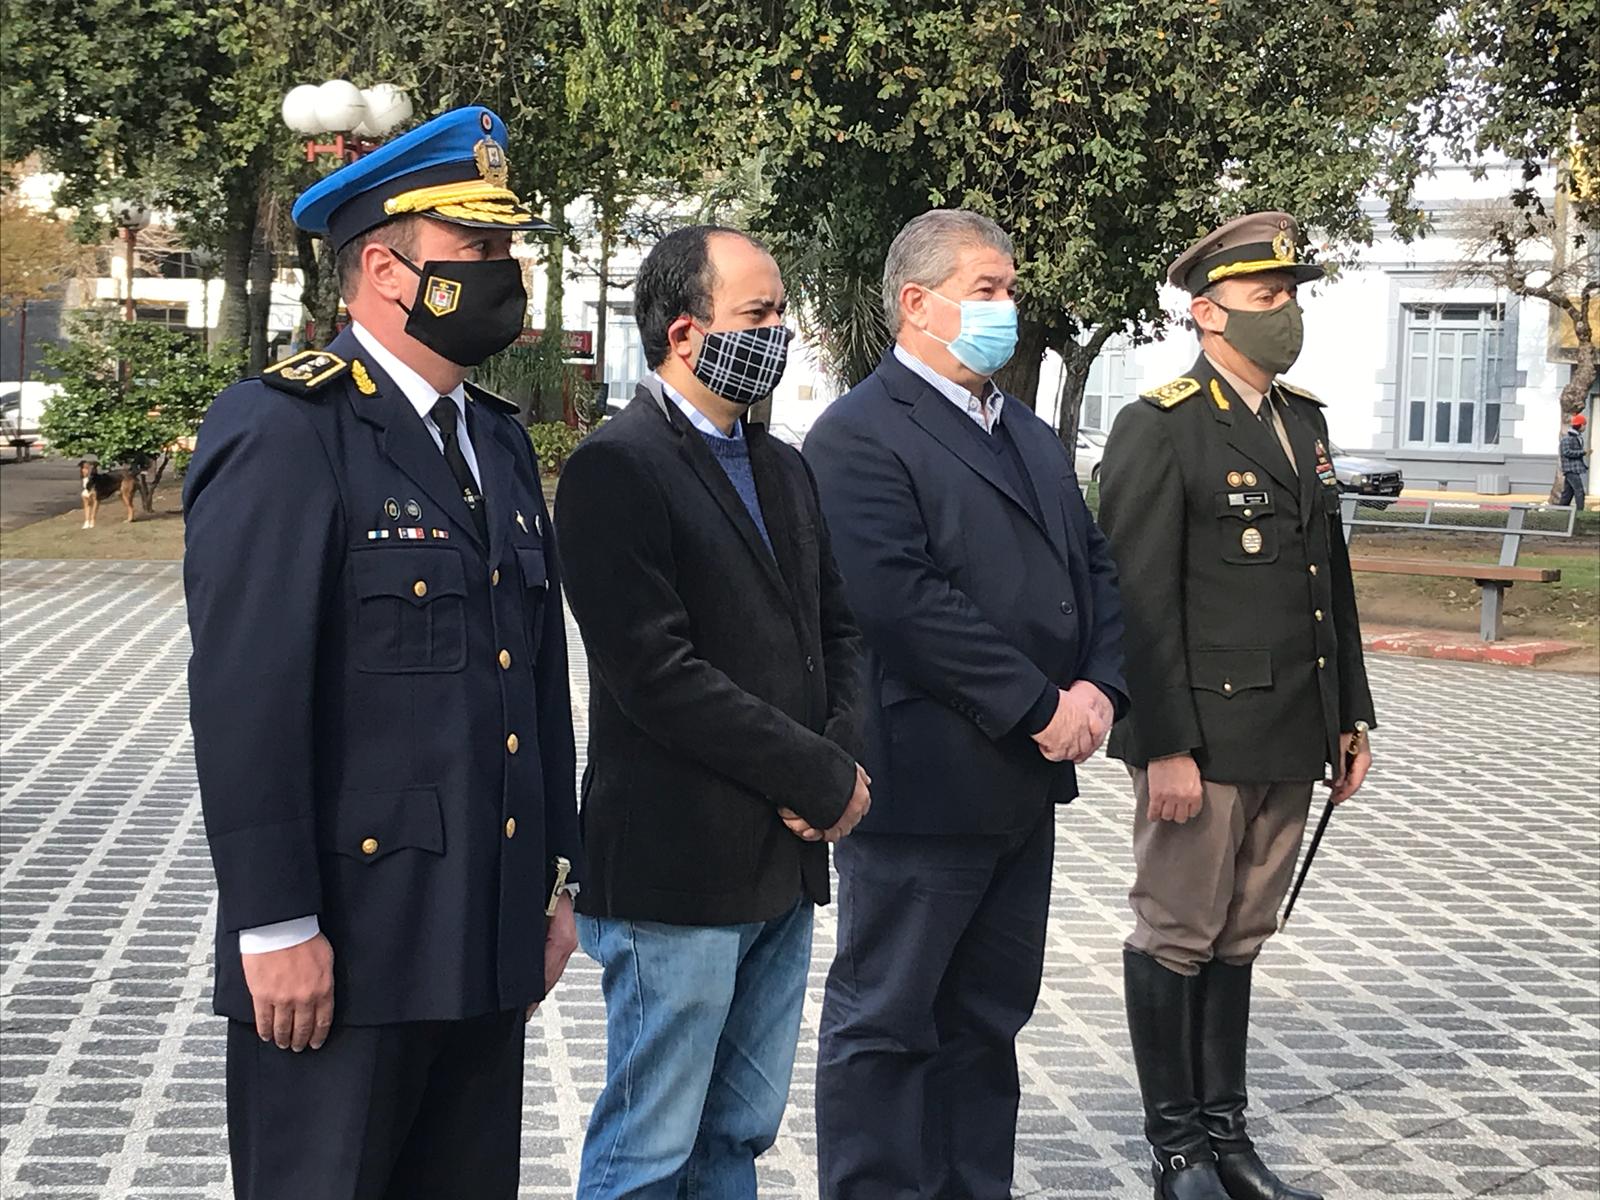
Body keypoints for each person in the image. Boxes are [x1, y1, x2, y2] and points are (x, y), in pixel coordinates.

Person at [182, 106, 584, 1200]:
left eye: (507, 247)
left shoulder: (497, 440)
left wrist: (554, 884)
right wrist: (273, 923)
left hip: (482, 934)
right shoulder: (287, 430)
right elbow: (246, 699)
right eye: (477, 247)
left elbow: (536, 685)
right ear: (384, 269)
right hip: (345, 952)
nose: (506, 272)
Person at [804, 208, 1128, 1199]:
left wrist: (1100, 687)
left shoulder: (1023, 430)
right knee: (888, 1021)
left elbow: (1094, 568)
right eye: (986, 290)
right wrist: (1037, 704)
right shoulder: (858, 434)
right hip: (924, 785)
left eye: (1010, 290)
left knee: (987, 1021)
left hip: (1021, 790)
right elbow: (902, 604)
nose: (1007, 308)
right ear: (917, 302)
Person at [553, 225, 870, 1199]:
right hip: (675, 870)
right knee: (649, 1145)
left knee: (735, 1133)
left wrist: (841, 758)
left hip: (782, 861)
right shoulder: (616, 466)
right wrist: (811, 774)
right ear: (686, 332)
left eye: (780, 314)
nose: (779, 334)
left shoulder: (783, 466)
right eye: (758, 315)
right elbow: (657, 674)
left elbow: (838, 633)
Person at [1097, 211, 1377, 1200]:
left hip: (1289, 726)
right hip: (1205, 739)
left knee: (1242, 933)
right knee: (1178, 931)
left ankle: (1229, 1139)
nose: (1285, 313)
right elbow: (1136, 601)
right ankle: (1177, 1151)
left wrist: (1350, 713)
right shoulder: (1160, 425)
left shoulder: (1302, 421)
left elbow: (1327, 580)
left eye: (1290, 295)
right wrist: (1161, 745)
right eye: (1266, 297)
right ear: (1206, 312)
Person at [1558, 412, 1589, 509]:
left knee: (1567, 494)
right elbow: (1566, 452)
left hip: (1573, 469)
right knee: (1579, 491)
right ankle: (1580, 512)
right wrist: (1582, 452)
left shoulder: (1576, 437)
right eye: (1584, 425)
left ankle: (1560, 511)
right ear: (1580, 425)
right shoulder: (1567, 438)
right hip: (1571, 470)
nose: (1585, 427)